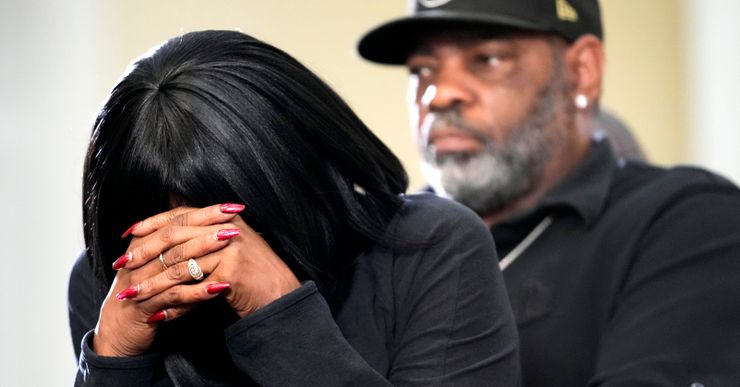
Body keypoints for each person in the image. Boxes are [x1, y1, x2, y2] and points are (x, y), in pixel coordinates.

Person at [68, 30, 520, 386]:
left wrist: (280, 312)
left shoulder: (430, 247)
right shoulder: (110, 285)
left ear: (291, 176)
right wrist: (111, 363)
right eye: (158, 219)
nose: (190, 246)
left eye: (220, 212)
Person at [358, 0, 740, 386]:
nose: (438, 95)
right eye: (422, 70)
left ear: (582, 71)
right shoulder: (370, 246)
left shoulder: (687, 222)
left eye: (487, 59)